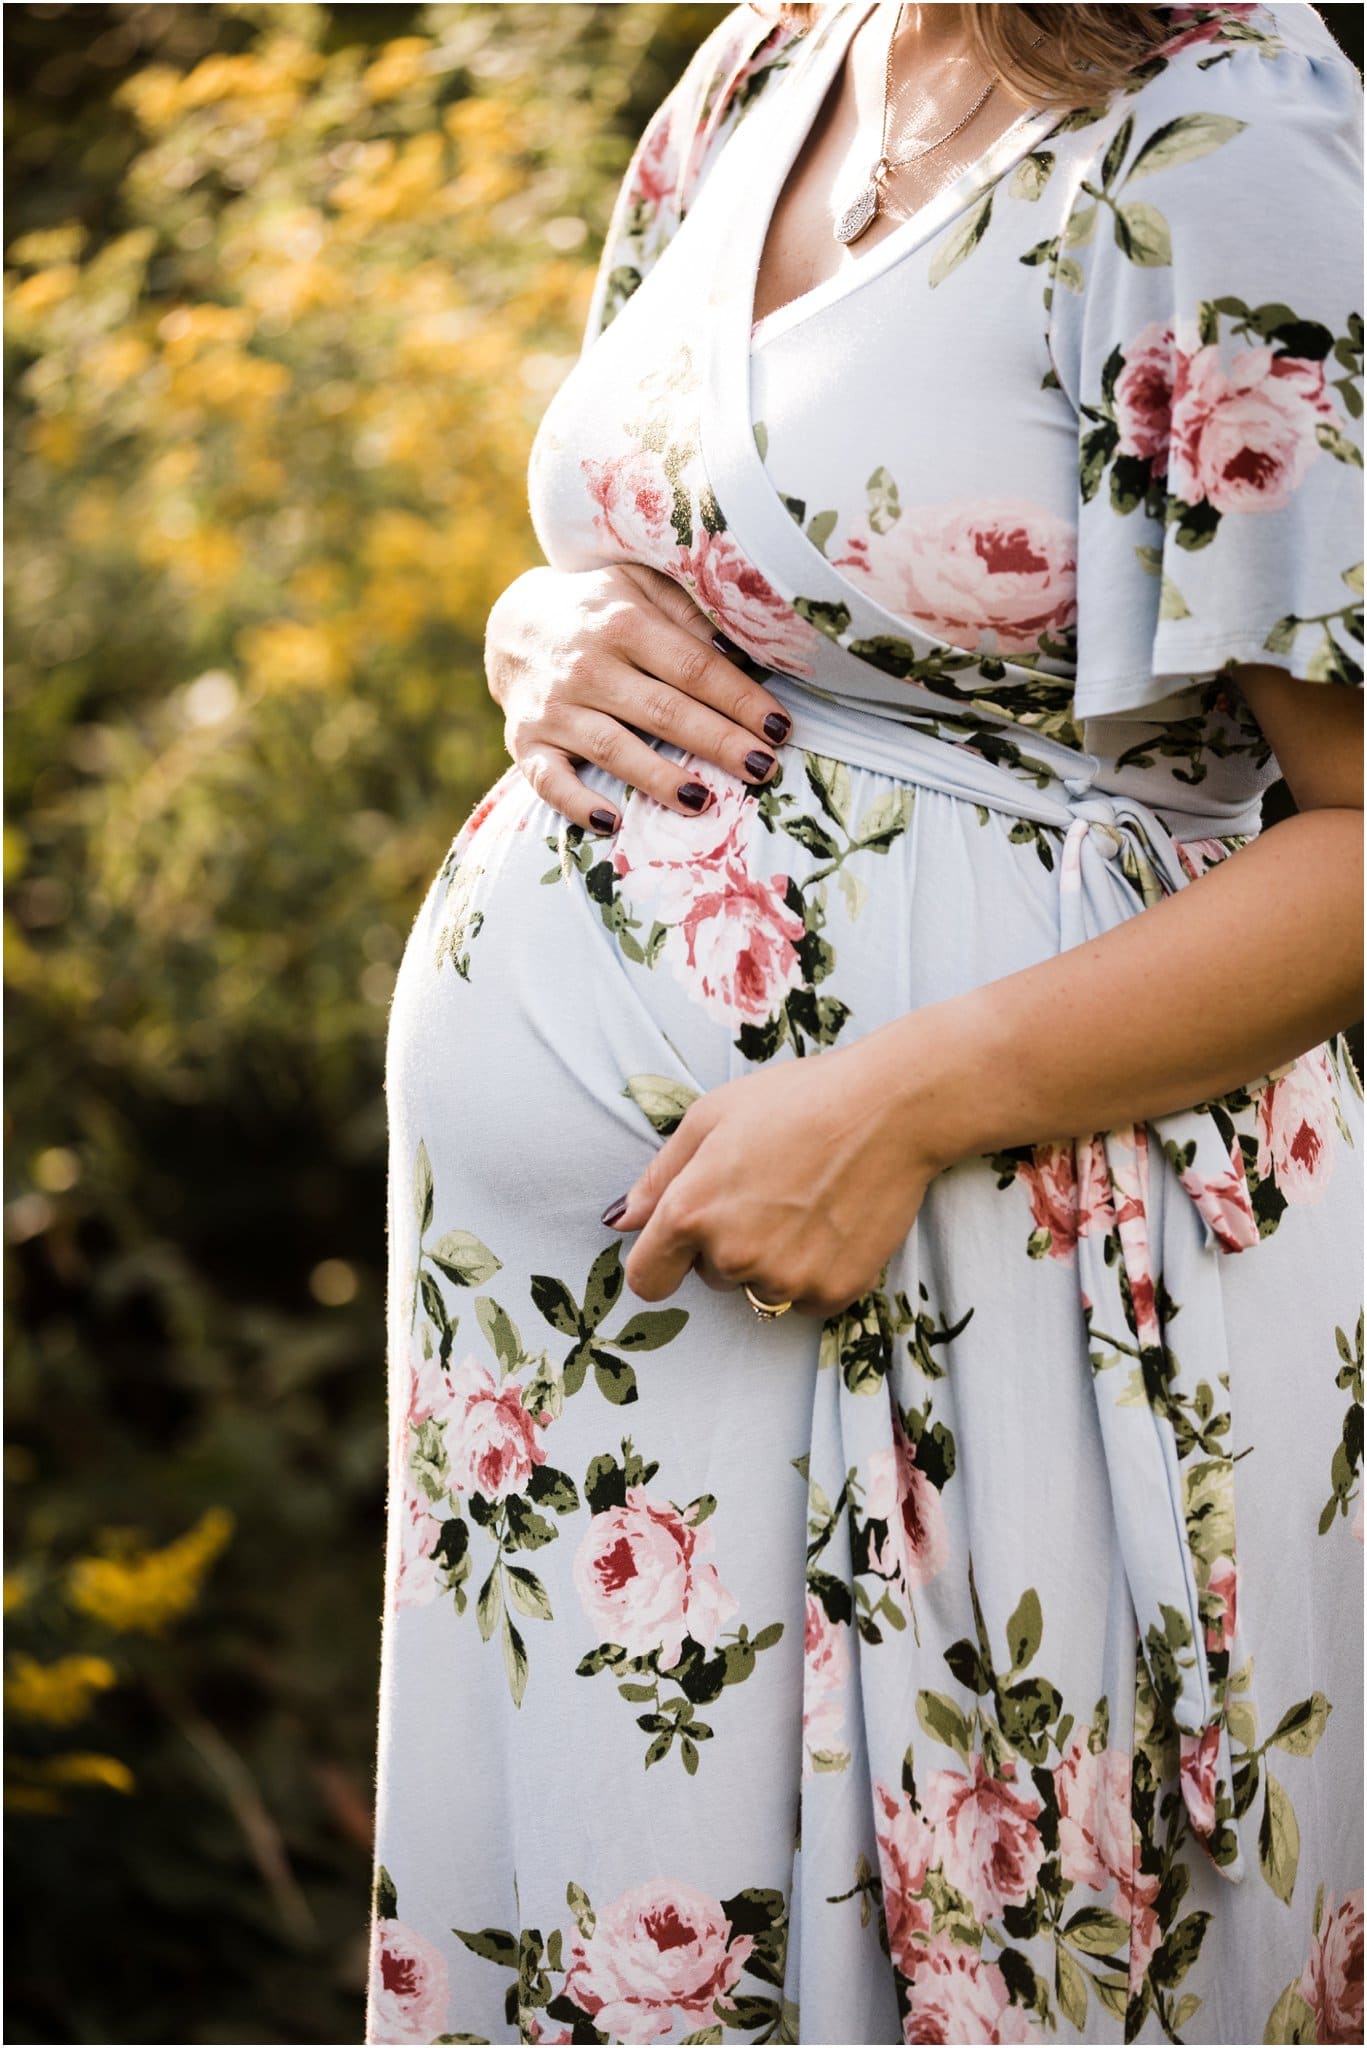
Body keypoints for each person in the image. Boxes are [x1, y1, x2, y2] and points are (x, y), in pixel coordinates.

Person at [364, 3, 1365, 2041]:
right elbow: (698, 534)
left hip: (1007, 1272)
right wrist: (533, 627)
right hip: (569, 1409)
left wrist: (903, 1103)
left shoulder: (1218, 147)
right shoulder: (770, 65)